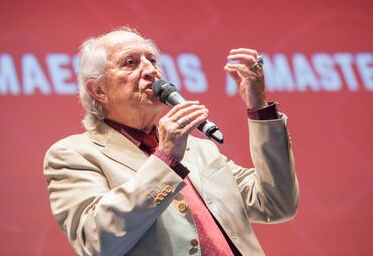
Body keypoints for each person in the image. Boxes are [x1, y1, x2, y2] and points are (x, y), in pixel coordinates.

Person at [43, 27, 299, 256]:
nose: (150, 70)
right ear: (98, 90)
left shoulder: (199, 149)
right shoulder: (72, 154)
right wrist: (165, 160)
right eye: (130, 62)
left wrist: (259, 109)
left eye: (152, 60)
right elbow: (97, 242)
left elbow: (276, 204)